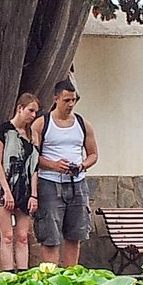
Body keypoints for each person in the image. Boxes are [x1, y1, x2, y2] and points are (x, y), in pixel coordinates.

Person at [33, 79, 99, 268]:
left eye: (73, 100)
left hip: (77, 183)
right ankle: (51, 275)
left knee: (75, 233)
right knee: (50, 234)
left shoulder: (82, 124)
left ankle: (70, 273)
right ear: (56, 99)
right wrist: (53, 165)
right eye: (66, 100)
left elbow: (93, 154)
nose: (70, 104)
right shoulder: (42, 123)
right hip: (50, 182)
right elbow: (33, 156)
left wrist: (82, 165)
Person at [0, 93, 42, 271]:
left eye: (35, 112)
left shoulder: (33, 135)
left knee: (22, 237)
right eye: (30, 110)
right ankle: (8, 274)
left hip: (25, 189)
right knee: (7, 236)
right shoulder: (3, 131)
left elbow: (34, 167)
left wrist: (34, 194)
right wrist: (6, 191)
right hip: (3, 187)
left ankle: (24, 274)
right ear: (20, 108)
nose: (33, 115)